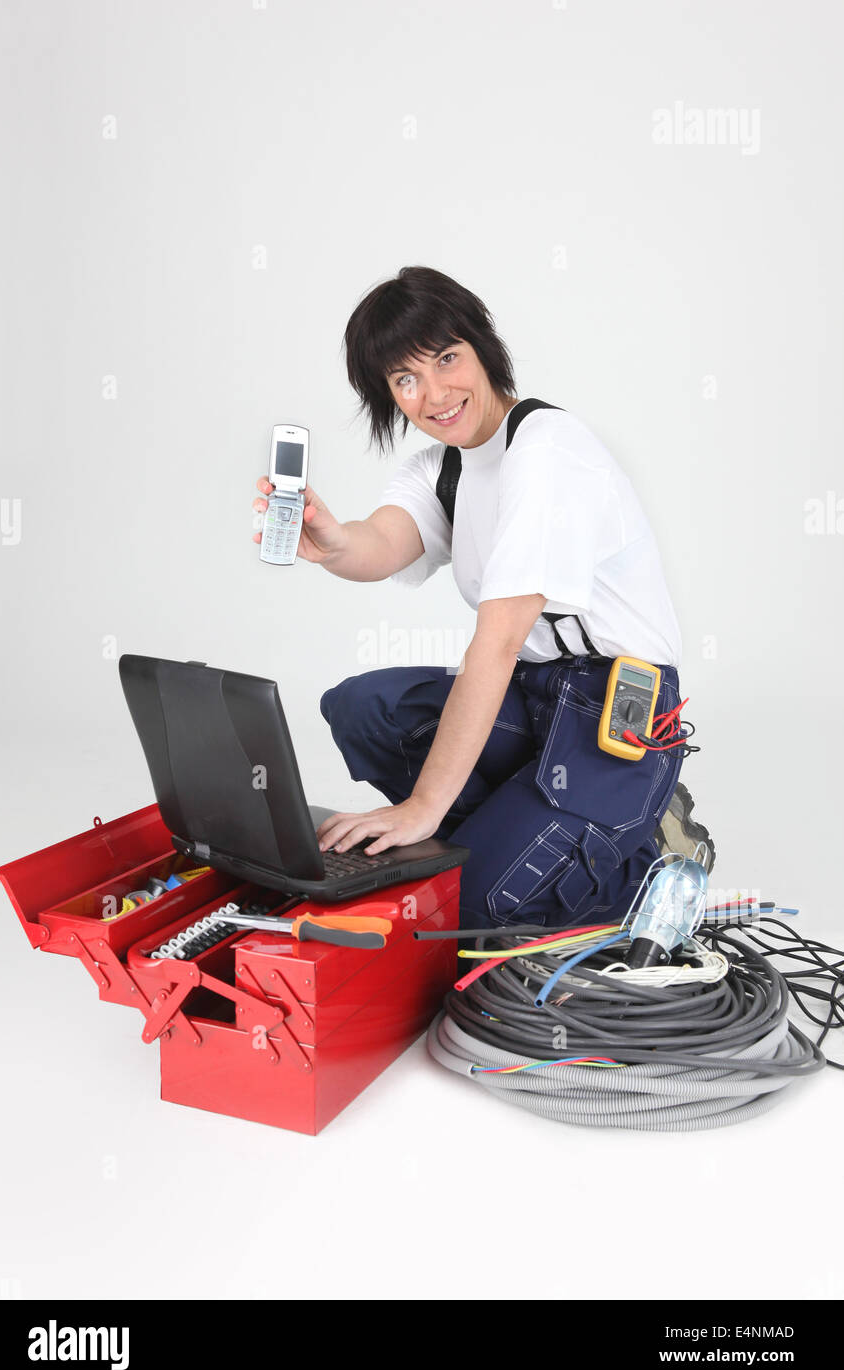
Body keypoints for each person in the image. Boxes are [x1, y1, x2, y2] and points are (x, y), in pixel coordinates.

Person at [252, 265, 713, 941]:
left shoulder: (546, 450)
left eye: (446, 359)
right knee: (362, 708)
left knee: (465, 914)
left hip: (617, 712)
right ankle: (521, 831)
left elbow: (494, 646)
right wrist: (329, 539)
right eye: (405, 379)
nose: (433, 393)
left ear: (482, 346)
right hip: (533, 699)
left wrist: (422, 808)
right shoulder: (445, 466)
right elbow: (382, 541)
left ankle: (646, 852)